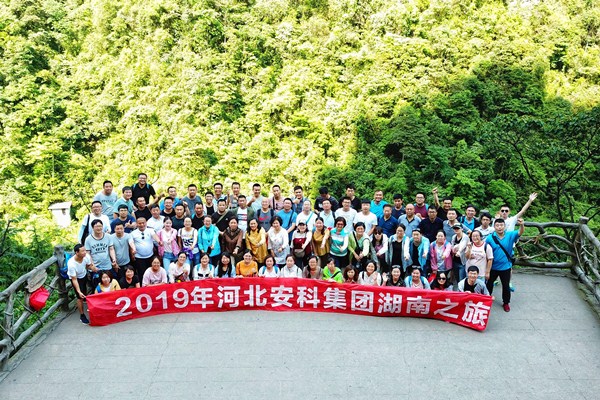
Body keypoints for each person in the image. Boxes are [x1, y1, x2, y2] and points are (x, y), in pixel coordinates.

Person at [486, 217, 525, 312]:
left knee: (506, 286)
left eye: (501, 225)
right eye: (497, 225)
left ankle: (506, 302)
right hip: (493, 266)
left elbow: (520, 232)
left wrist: (522, 225)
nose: (499, 227)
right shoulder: (490, 238)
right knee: (489, 284)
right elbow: (486, 251)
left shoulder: (510, 235)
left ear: (504, 226)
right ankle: (486, 299)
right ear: (494, 227)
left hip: (506, 266)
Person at [84, 219, 117, 288]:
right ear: (92, 227)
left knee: (110, 285)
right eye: (96, 226)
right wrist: (92, 265)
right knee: (97, 287)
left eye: (100, 226)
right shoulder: (88, 239)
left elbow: (111, 249)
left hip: (107, 265)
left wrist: (114, 259)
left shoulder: (108, 236)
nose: (99, 228)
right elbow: (88, 253)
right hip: (96, 267)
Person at [67, 244, 94, 324]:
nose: (85, 252)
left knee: (84, 290)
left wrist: (93, 268)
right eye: (82, 251)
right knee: (79, 297)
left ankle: (84, 299)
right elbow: (74, 279)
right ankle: (82, 315)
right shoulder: (71, 264)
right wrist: (78, 291)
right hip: (76, 278)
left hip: (83, 274)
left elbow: (88, 265)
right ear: (77, 252)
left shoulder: (86, 256)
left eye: (85, 250)